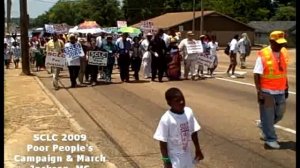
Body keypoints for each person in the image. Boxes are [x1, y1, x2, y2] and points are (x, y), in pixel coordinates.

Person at [253, 30, 289, 149]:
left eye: (282, 43)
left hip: (280, 90)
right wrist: (259, 92)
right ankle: (270, 138)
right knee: (268, 115)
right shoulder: (263, 54)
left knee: (280, 114)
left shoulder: (284, 52)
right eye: (278, 43)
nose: (280, 45)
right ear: (271, 41)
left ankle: (264, 126)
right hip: (267, 91)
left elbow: (284, 71)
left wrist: (286, 87)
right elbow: (257, 74)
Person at [153, 87, 204, 168]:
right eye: (177, 101)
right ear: (169, 103)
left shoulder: (188, 112)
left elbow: (193, 132)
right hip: (175, 157)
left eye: (182, 99)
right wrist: (166, 161)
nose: (181, 102)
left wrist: (198, 149)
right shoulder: (166, 119)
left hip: (187, 154)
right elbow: (163, 142)